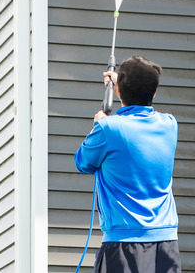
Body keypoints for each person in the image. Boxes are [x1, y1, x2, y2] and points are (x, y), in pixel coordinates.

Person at [74, 55, 181, 273]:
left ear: (121, 89)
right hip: (166, 243)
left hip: (123, 243)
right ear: (154, 92)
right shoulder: (170, 124)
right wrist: (122, 87)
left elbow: (83, 162)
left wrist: (98, 125)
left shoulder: (107, 129)